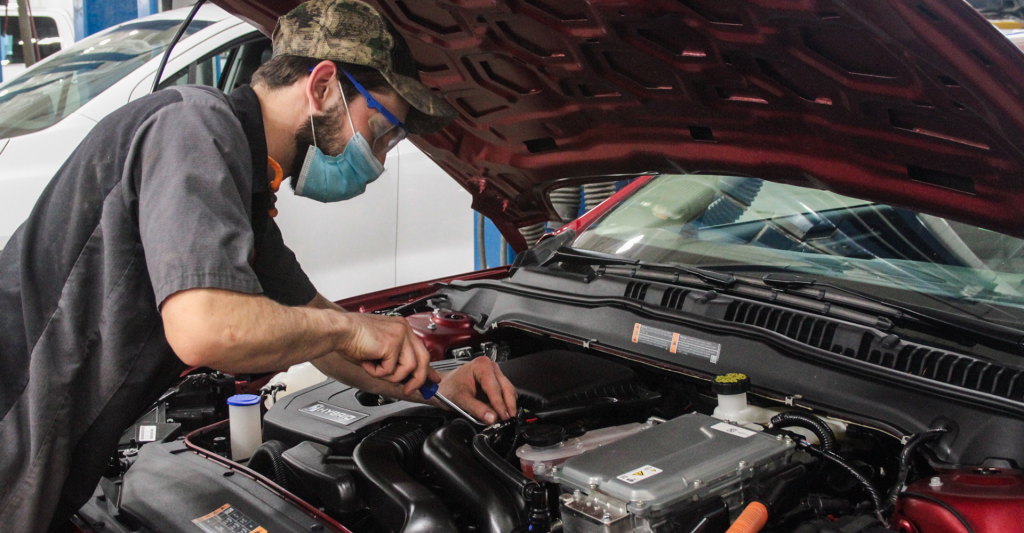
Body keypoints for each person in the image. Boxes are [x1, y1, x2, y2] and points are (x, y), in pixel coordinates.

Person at [0, 0, 517, 530]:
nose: (380, 161)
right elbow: (206, 329)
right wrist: (351, 327)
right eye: (382, 131)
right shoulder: (194, 126)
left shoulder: (240, 183)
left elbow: (319, 329)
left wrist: (438, 386)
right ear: (321, 88)